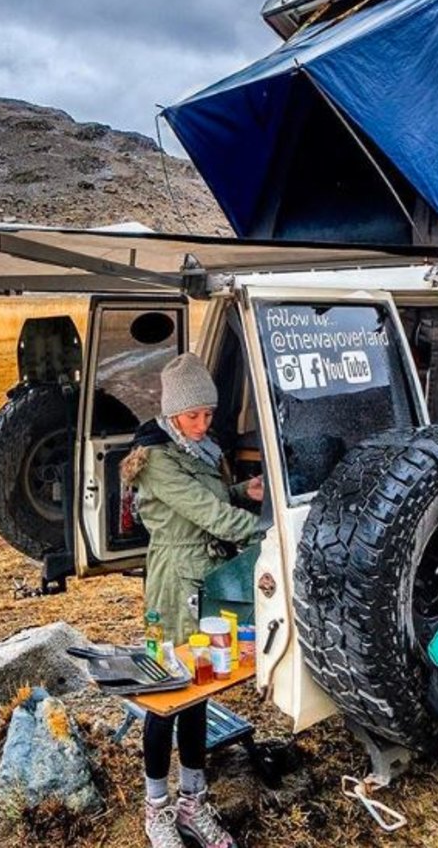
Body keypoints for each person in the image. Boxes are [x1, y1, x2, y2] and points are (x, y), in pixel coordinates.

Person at [120, 352, 263, 848]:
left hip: (206, 578)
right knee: (164, 698)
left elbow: (218, 498)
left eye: (208, 414)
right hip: (172, 582)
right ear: (172, 412)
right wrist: (271, 532)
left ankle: (192, 801)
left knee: (199, 688)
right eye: (193, 415)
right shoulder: (157, 459)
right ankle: (156, 809)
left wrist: (247, 489)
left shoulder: (196, 449)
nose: (203, 424)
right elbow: (210, 515)